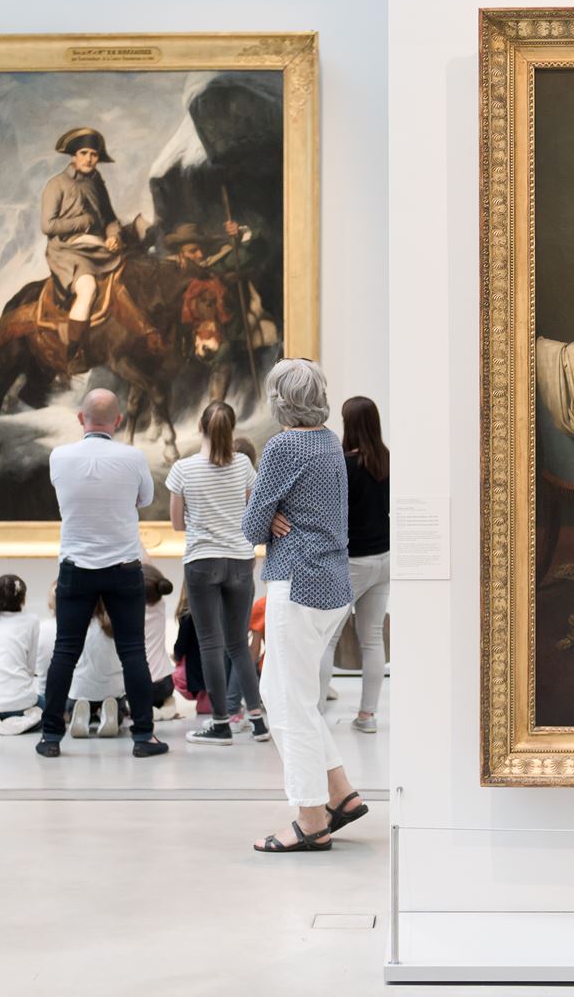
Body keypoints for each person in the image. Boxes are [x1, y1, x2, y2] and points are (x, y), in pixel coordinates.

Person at [242, 359, 367, 853]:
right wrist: (271, 512)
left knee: (284, 702)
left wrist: (268, 514)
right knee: (296, 697)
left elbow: (251, 527)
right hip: (332, 584)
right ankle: (342, 795)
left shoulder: (284, 445)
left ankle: (311, 819)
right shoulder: (328, 440)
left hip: (296, 582)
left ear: (279, 400)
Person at [38, 388, 169, 758]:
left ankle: (50, 737)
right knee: (133, 654)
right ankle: (144, 737)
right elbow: (142, 500)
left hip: (76, 568)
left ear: (81, 419)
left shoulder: (59, 457)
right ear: (119, 420)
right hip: (124, 569)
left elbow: (62, 494)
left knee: (65, 652)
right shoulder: (133, 458)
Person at [169, 400, 269, 746]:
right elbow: (252, 512)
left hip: (201, 561)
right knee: (238, 644)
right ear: (232, 429)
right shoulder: (243, 465)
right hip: (240, 560)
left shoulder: (183, 470)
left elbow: (177, 524)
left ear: (199, 426)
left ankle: (221, 723)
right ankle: (256, 719)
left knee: (210, 644)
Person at [316, 395, 390, 734]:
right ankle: (368, 716)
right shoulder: (387, 460)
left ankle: (314, 716)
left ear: (349, 424)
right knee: (372, 639)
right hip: (385, 559)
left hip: (352, 562)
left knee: (327, 638)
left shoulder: (345, 466)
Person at [68, 566, 177, 738]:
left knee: (127, 676)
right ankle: (124, 711)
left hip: (127, 686)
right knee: (120, 692)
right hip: (163, 684)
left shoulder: (122, 615)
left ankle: (92, 715)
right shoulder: (160, 606)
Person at [43, 127, 127, 325]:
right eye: (84, 153)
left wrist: (113, 236)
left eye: (94, 154)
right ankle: (73, 352)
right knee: (88, 289)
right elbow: (47, 226)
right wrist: (82, 222)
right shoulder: (57, 184)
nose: (89, 159)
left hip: (99, 247)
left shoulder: (97, 184)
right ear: (74, 156)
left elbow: (110, 220)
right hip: (67, 250)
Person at [0, 576, 51, 736]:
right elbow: (30, 668)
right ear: (23, 598)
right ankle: (25, 721)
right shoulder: (32, 620)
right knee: (49, 705)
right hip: (21, 704)